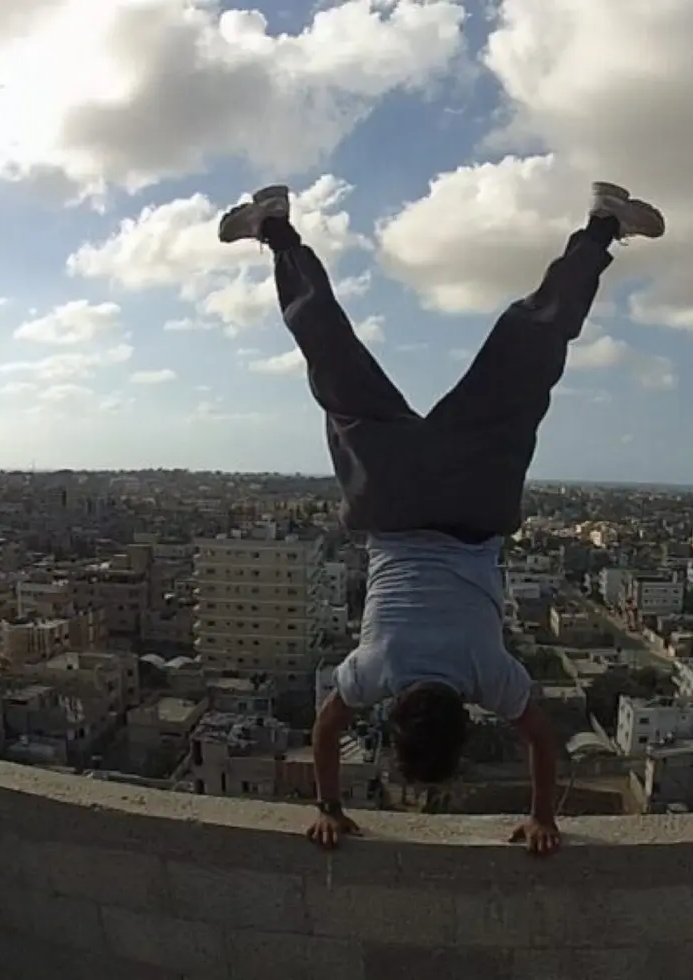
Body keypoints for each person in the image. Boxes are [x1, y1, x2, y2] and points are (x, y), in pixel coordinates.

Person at [218, 182, 665, 855]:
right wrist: (329, 807)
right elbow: (326, 731)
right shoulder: (374, 670)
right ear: (396, 716)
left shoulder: (489, 674)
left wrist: (543, 818)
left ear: (465, 722)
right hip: (393, 498)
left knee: (530, 351)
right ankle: (276, 231)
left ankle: (603, 226)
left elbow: (541, 740)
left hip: (472, 501)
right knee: (333, 361)